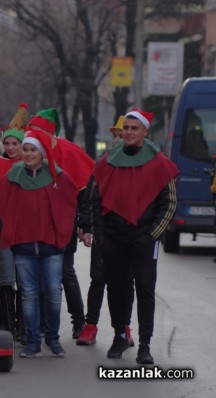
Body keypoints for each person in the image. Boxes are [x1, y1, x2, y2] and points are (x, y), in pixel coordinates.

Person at [83, 109, 178, 364]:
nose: (128, 132)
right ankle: (119, 334)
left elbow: (169, 203)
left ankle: (145, 344)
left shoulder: (159, 163)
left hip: (144, 237)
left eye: (134, 128)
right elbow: (95, 200)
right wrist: (101, 237)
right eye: (126, 128)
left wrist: (151, 235)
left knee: (145, 288)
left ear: (145, 132)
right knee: (116, 288)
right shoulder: (106, 161)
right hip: (114, 237)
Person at [0, 130, 78, 358]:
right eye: (26, 149)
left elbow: (70, 205)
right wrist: (11, 231)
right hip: (23, 247)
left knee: (52, 291)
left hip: (51, 247)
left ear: (42, 153)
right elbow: (2, 204)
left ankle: (52, 338)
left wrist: (63, 235)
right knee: (29, 294)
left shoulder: (58, 176)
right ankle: (32, 341)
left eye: (33, 150)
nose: (29, 153)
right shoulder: (13, 175)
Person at [28, 108, 94, 338]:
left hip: (65, 222)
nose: (31, 136)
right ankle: (42, 324)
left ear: (49, 132)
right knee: (37, 274)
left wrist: (85, 226)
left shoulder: (71, 152)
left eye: (35, 131)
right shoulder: (32, 152)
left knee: (65, 272)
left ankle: (78, 321)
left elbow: (86, 194)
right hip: (38, 224)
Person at [77, 115, 134, 346]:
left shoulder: (141, 164)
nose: (120, 139)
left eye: (124, 135)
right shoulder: (104, 162)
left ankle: (125, 328)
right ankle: (90, 326)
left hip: (130, 233)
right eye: (117, 135)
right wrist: (86, 227)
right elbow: (89, 197)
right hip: (104, 231)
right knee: (98, 279)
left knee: (126, 282)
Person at [0, 126, 24, 338]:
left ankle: (23, 324)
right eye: (7, 143)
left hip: (25, 231)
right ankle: (7, 324)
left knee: (25, 280)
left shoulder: (29, 164)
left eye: (15, 144)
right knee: (6, 278)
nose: (10, 147)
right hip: (4, 231)